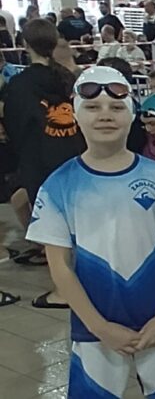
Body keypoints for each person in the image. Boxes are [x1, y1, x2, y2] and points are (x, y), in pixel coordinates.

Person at [26, 66, 155, 398]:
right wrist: (99, 326)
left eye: (116, 107)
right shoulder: (59, 186)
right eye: (92, 107)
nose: (105, 115)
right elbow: (59, 267)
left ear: (131, 116)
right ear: (76, 115)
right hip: (94, 327)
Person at [2, 19, 86, 305]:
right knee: (76, 219)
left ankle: (63, 290)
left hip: (38, 157)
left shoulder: (21, 84)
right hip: (74, 152)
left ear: (25, 45)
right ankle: (86, 278)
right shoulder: (66, 77)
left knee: (52, 225)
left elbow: (14, 126)